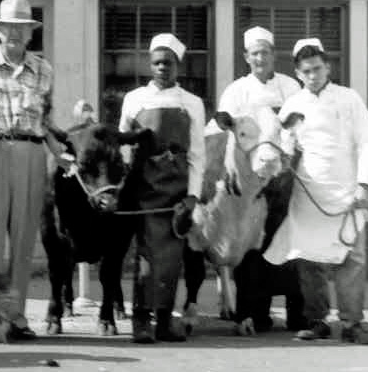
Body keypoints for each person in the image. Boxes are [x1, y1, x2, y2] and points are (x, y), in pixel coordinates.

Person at [0, 0, 66, 342]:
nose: (15, 34)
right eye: (9, 28)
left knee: (23, 239)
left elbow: (47, 121)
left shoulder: (44, 70)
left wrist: (61, 154)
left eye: (22, 29)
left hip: (31, 150)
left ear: (31, 34)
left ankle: (17, 317)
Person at [264, 37, 368, 345]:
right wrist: (281, 161)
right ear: (299, 74)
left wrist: (364, 185)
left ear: (327, 67)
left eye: (318, 68)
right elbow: (285, 146)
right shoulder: (293, 105)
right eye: (307, 71)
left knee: (350, 258)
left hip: (346, 191)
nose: (313, 75)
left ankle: (353, 323)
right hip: (309, 193)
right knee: (309, 259)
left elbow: (367, 141)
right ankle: (317, 320)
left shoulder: (348, 99)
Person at [118, 33, 206, 344]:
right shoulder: (134, 100)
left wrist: (193, 194)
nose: (161, 68)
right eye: (156, 63)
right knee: (145, 256)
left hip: (177, 191)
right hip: (145, 187)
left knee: (171, 258)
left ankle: (165, 320)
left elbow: (198, 153)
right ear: (149, 65)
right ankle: (141, 320)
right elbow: (123, 145)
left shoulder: (192, 104)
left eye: (167, 63)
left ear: (177, 66)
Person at [217, 26, 306, 332]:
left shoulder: (291, 87)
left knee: (291, 246)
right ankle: (256, 313)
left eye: (265, 52)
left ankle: (298, 314)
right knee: (253, 249)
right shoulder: (236, 91)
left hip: (284, 179)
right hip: (251, 186)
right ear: (246, 57)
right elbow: (223, 132)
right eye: (254, 53)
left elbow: (298, 129)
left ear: (273, 55)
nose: (260, 58)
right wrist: (230, 163)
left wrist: (288, 159)